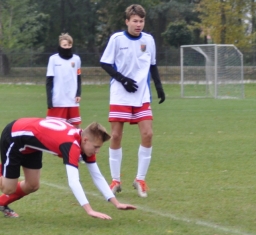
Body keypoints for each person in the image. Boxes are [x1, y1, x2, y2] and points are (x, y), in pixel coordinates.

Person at [0, 118, 136, 218]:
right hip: (14, 137)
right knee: (8, 188)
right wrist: (89, 210)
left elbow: (97, 176)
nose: (97, 151)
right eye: (96, 147)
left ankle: (1, 203)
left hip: (30, 144)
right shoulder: (71, 145)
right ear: (86, 140)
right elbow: (73, 182)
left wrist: (116, 203)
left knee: (33, 185)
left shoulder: (84, 142)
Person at [100, 4, 165, 198]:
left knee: (148, 133)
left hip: (142, 94)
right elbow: (105, 63)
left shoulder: (149, 40)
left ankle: (140, 179)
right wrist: (123, 80)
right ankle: (115, 180)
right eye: (135, 21)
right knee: (116, 136)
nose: (138, 24)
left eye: (141, 21)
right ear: (127, 21)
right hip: (120, 93)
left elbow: (152, 65)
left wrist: (159, 87)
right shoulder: (117, 39)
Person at [46, 33, 82, 128]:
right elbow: (49, 81)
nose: (67, 47)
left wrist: (78, 94)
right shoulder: (53, 59)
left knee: (75, 127)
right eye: (64, 45)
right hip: (58, 99)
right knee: (54, 127)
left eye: (69, 45)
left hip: (72, 99)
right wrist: (49, 100)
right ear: (60, 45)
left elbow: (78, 78)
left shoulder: (76, 59)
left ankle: (74, 143)